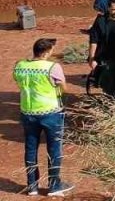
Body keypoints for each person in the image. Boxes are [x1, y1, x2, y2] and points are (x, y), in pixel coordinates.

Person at [14, 38, 72, 197]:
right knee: (54, 149)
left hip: (28, 112)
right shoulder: (53, 67)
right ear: (46, 52)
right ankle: (54, 185)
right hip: (51, 112)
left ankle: (32, 186)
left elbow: (19, 82)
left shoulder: (20, 66)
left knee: (30, 149)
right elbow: (63, 88)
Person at [87, 0, 115, 93]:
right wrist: (92, 58)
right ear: (108, 8)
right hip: (104, 55)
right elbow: (94, 40)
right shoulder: (100, 21)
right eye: (114, 9)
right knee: (107, 84)